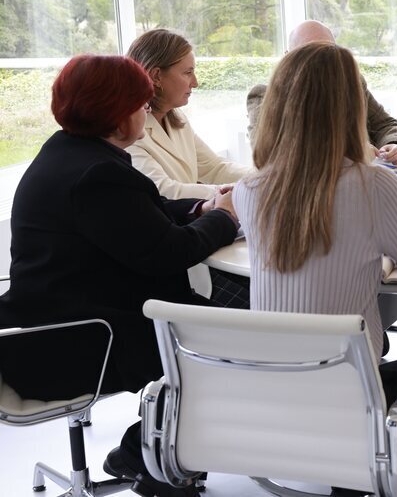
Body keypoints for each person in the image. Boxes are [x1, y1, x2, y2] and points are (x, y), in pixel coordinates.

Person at [0, 54, 239, 497]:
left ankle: (158, 450)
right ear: (117, 112)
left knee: (217, 328)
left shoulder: (68, 153)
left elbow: (138, 216)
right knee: (231, 343)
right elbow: (167, 253)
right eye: (142, 105)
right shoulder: (98, 173)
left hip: (47, 328)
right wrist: (224, 219)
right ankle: (146, 455)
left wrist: (201, 208)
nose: (145, 115)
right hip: (82, 341)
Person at [233, 42, 397, 446]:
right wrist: (386, 257)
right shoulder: (375, 186)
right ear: (350, 107)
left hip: (269, 399)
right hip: (353, 406)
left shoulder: (247, 190)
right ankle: (352, 473)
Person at [246, 20, 397, 167]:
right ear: (288, 58)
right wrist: (354, 151)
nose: (322, 62)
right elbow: (267, 155)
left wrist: (393, 145)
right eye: (309, 53)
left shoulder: (353, 83)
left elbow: (385, 124)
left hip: (367, 184)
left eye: (328, 51)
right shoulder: (264, 96)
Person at [126, 28, 250, 199]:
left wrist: (266, 177)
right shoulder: (129, 133)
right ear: (156, 76)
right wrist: (236, 192)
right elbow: (164, 190)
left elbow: (214, 168)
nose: (195, 83)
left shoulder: (177, 119)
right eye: (187, 73)